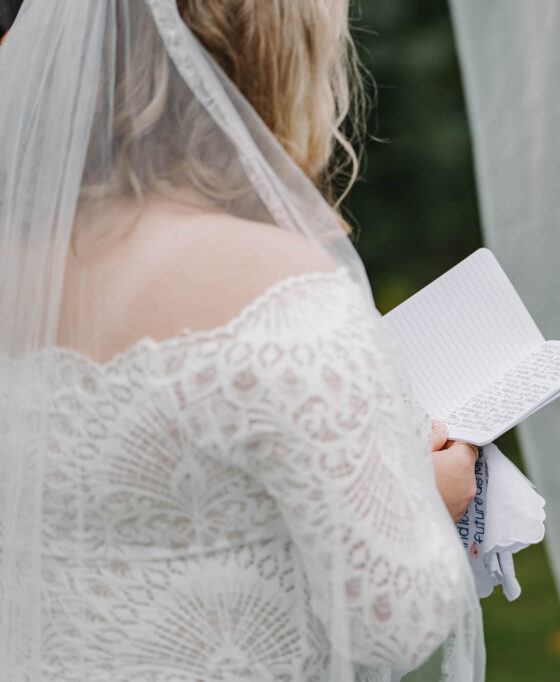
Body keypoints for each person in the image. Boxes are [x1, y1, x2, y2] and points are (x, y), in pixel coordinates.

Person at [0, 1, 484, 680]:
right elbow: (395, 622)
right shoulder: (278, 284)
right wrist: (436, 499)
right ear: (278, 60)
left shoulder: (20, 267)